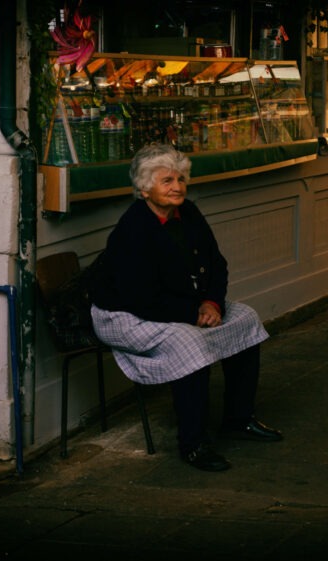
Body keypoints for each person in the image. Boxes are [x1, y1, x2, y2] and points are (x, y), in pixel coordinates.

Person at [90, 143, 282, 472]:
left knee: (245, 318)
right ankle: (193, 444)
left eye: (180, 179)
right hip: (124, 314)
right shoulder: (132, 230)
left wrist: (211, 303)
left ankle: (238, 418)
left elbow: (216, 264)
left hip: (183, 303)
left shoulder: (188, 212)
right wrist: (193, 314)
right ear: (144, 188)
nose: (177, 187)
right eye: (166, 181)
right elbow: (140, 297)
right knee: (188, 342)